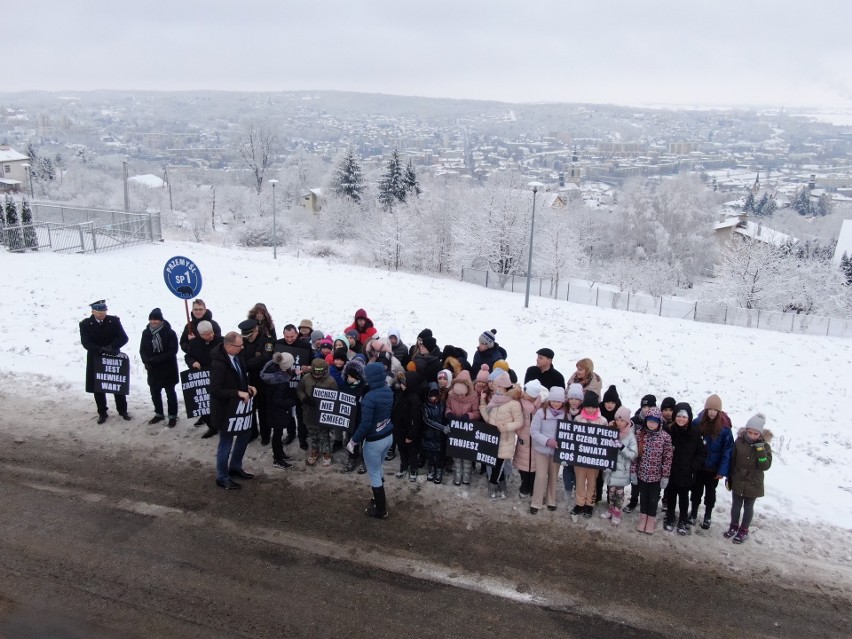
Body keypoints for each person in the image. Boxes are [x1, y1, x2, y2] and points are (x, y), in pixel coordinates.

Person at [210, 331, 257, 490]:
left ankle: (235, 467)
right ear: (229, 346)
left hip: (240, 409)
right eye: (239, 345)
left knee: (245, 435)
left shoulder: (237, 357)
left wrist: (247, 386)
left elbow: (240, 377)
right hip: (225, 411)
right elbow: (215, 390)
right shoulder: (218, 364)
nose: (242, 347)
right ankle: (222, 477)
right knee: (226, 441)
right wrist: (237, 393)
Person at [348, 362, 395, 519]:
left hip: (374, 441)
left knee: (374, 473)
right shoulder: (388, 390)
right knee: (379, 468)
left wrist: (353, 441)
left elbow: (365, 424)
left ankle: (380, 509)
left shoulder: (369, 398)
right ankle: (377, 499)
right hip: (388, 436)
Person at [80, 299, 130, 424]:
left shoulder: (114, 321)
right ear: (93, 312)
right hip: (96, 357)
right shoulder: (86, 324)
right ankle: (102, 412)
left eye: (104, 312)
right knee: (98, 386)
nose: (102, 314)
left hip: (113, 357)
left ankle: (123, 410)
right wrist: (100, 349)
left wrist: (112, 347)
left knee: (116, 384)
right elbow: (86, 342)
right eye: (99, 312)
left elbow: (124, 338)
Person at [726, 413, 773, 544]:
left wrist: (761, 450)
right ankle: (733, 526)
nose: (752, 436)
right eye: (750, 432)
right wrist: (730, 476)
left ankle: (743, 530)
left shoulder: (765, 447)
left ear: (760, 434)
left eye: (755, 434)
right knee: (735, 506)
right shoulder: (739, 442)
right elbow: (733, 460)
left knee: (748, 507)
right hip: (738, 479)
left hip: (754, 482)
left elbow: (765, 465)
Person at [690, 394, 734, 530]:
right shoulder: (697, 423)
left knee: (710, 493)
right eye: (710, 409)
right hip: (699, 466)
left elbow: (727, 450)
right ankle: (693, 513)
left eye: (715, 410)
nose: (712, 412)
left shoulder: (725, 428)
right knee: (696, 491)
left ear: (719, 411)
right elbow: (691, 443)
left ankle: (708, 515)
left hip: (713, 469)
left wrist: (722, 471)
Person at [479, 370, 522, 499]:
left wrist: (506, 427)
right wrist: (482, 403)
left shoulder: (513, 404)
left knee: (498, 465)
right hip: (493, 439)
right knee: (497, 465)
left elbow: (519, 422)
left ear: (503, 387)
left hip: (505, 440)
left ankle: (493, 486)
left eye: (497, 386)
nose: (494, 387)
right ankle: (502, 488)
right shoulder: (495, 400)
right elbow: (488, 418)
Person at [663, 403, 705, 535]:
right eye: (679, 416)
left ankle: (683, 518)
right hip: (671, 469)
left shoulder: (695, 432)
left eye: (684, 417)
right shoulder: (668, 430)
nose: (681, 419)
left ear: (689, 418)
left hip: (687, 471)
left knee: (683, 497)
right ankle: (670, 516)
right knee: (670, 495)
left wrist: (694, 466)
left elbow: (702, 452)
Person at [630, 407, 673, 534]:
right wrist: (633, 471)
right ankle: (643, 518)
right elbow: (635, 455)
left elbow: (668, 457)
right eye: (650, 421)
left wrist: (665, 475)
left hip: (656, 476)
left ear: (660, 422)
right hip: (642, 474)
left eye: (655, 421)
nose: (652, 424)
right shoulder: (640, 434)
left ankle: (651, 519)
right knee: (643, 497)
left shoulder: (665, 437)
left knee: (653, 498)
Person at [273, 324, 314, 449]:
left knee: (301, 413)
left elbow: (312, 363)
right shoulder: (278, 344)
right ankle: (290, 434)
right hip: (284, 386)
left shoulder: (305, 346)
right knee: (288, 413)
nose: (289, 339)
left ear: (297, 334)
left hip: (300, 385)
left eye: (292, 336)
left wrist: (308, 368)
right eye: (287, 336)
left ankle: (303, 437)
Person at [569, 391, 609, 520]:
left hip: (594, 459)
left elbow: (606, 439)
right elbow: (572, 437)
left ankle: (589, 504)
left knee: (592, 482)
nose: (590, 410)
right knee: (580, 481)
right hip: (580, 457)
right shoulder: (578, 419)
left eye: (592, 407)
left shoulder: (602, 421)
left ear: (597, 407)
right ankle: (580, 503)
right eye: (587, 407)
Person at [139, 307, 179, 427]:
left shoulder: (169, 333)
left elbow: (173, 350)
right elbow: (142, 349)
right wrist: (146, 361)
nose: (154, 322)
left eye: (156, 320)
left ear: (161, 320)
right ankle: (158, 413)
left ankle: (172, 416)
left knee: (170, 393)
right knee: (155, 392)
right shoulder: (146, 333)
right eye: (151, 320)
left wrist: (157, 359)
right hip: (153, 369)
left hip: (168, 367)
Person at [529, 386, 565, 514]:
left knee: (553, 476)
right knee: (541, 475)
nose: (556, 404)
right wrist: (547, 441)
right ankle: (536, 501)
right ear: (549, 400)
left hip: (556, 452)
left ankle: (551, 500)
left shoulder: (565, 416)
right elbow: (533, 431)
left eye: (559, 401)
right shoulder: (541, 413)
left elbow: (569, 432)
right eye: (554, 400)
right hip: (542, 450)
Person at [297, 358, 339, 466]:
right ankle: (314, 451)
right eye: (314, 374)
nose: (316, 376)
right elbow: (300, 389)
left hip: (323, 414)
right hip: (308, 411)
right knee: (312, 434)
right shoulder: (306, 378)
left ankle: (326, 452)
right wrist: (304, 398)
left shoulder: (331, 381)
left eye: (319, 374)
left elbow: (335, 397)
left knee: (324, 434)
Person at [185, 320, 222, 438]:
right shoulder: (194, 343)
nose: (210, 335)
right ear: (200, 334)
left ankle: (221, 424)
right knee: (204, 404)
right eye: (207, 334)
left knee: (219, 404)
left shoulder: (220, 341)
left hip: (218, 376)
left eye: (211, 332)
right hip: (202, 377)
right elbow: (188, 356)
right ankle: (212, 427)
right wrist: (193, 362)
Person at [259, 352, 296, 470]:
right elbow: (278, 400)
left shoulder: (271, 370)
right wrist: (292, 402)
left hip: (271, 409)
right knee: (277, 434)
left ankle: (280, 453)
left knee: (278, 433)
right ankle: (277, 458)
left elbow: (283, 375)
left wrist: (293, 374)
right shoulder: (280, 383)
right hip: (277, 411)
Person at [239, 318, 275, 443]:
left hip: (263, 379)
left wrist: (245, 364)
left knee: (264, 409)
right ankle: (252, 432)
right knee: (250, 408)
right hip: (249, 379)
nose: (248, 338)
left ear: (256, 330)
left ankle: (265, 434)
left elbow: (265, 359)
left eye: (250, 335)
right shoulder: (244, 340)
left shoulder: (267, 340)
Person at [601, 406, 638, 526]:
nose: (619, 423)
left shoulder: (630, 436)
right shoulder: (611, 430)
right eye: (617, 419)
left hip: (622, 470)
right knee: (610, 491)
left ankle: (617, 513)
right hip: (610, 468)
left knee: (619, 493)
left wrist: (621, 447)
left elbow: (633, 454)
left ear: (627, 421)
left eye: (622, 420)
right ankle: (610, 510)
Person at [445, 369, 481, 486]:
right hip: (455, 428)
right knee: (456, 453)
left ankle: (466, 476)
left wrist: (468, 416)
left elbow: (477, 412)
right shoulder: (451, 395)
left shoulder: (473, 397)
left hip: (468, 430)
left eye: (462, 393)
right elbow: (447, 407)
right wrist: (449, 413)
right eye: (458, 393)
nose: (460, 395)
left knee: (466, 455)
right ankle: (457, 475)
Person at [624, 394, 656, 512]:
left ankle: (649, 503)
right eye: (644, 407)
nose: (646, 409)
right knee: (635, 480)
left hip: (652, 457)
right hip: (636, 454)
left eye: (649, 407)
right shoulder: (635, 420)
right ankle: (633, 500)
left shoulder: (657, 421)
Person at [515, 379, 547, 499]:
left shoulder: (542, 404)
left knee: (534, 464)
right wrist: (520, 432)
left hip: (536, 438)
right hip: (524, 436)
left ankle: (533, 485)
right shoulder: (520, 402)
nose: (523, 393)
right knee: (522, 462)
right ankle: (525, 484)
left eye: (526, 391)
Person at [392, 369, 425, 480]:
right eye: (400, 383)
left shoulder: (414, 400)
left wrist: (410, 435)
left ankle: (413, 469)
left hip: (409, 432)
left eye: (404, 384)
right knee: (402, 450)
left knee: (411, 452)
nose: (401, 386)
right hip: (399, 429)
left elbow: (414, 420)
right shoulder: (401, 395)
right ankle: (404, 466)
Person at [421, 383, 448, 484]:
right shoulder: (424, 406)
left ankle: (439, 472)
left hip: (440, 436)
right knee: (430, 455)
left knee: (439, 456)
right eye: (431, 395)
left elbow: (445, 417)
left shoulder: (442, 405)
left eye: (435, 395)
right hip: (429, 434)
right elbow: (427, 420)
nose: (433, 398)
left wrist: (447, 426)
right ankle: (431, 470)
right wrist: (442, 428)